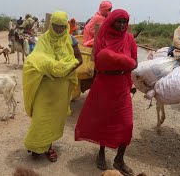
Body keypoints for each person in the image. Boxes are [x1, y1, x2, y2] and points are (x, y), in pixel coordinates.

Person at [75, 9, 137, 176]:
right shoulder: (102, 38)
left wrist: (123, 63)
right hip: (104, 84)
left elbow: (134, 64)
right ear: (111, 22)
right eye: (119, 21)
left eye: (125, 21)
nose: (122, 25)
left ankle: (119, 159)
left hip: (122, 85)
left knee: (127, 124)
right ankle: (101, 152)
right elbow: (98, 61)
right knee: (104, 120)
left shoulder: (129, 39)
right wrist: (113, 58)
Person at [23, 11, 82, 162]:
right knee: (40, 116)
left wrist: (64, 69)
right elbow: (35, 59)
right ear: (51, 25)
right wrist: (50, 67)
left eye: (62, 27)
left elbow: (79, 60)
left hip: (61, 87)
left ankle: (48, 147)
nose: (58, 30)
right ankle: (36, 144)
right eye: (55, 26)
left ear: (67, 26)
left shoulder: (71, 40)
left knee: (53, 119)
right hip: (44, 84)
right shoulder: (43, 40)